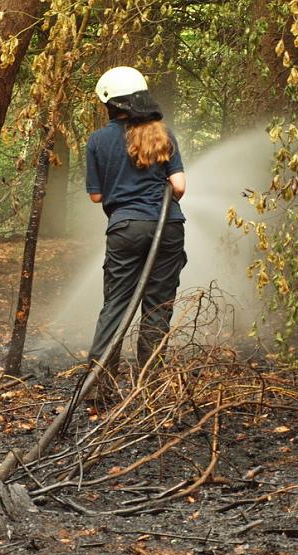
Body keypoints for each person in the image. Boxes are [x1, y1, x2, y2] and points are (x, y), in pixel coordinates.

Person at [85, 66, 187, 406]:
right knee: (157, 308)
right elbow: (179, 186)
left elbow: (97, 197)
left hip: (125, 229)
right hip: (167, 228)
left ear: (109, 104)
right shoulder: (163, 134)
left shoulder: (98, 141)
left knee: (115, 306)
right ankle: (152, 389)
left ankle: (100, 389)